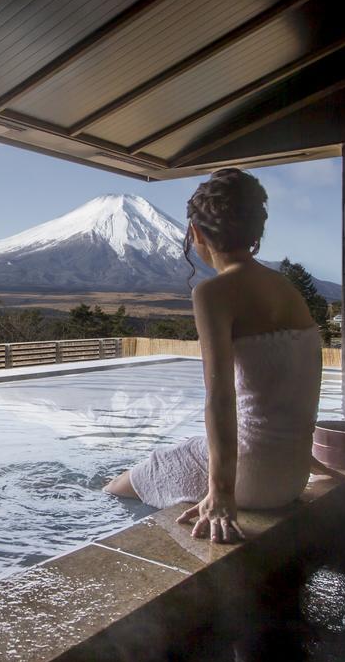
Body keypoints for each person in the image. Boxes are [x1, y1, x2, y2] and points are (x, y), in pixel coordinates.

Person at [104, 169, 323, 544]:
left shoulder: (214, 292)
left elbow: (220, 398)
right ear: (256, 232)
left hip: (247, 481)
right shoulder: (287, 289)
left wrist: (222, 494)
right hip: (292, 475)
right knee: (188, 447)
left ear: (197, 234)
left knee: (117, 487)